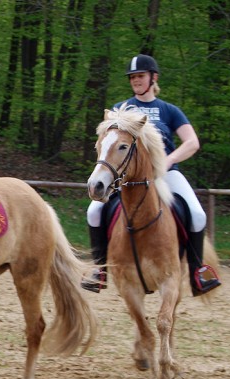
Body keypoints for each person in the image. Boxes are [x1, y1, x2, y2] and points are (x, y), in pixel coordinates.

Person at [83, 54, 221, 296]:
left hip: (166, 173)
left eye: (140, 76)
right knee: (93, 212)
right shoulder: (119, 110)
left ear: (153, 77)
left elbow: (192, 142)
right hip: (128, 176)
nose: (136, 80)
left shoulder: (170, 110)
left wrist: (169, 160)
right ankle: (99, 269)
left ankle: (198, 272)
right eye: (132, 77)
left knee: (198, 214)